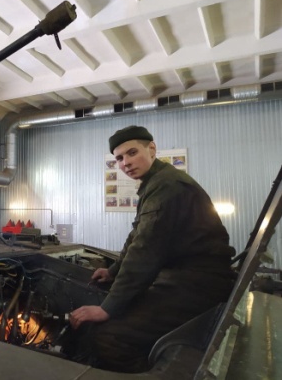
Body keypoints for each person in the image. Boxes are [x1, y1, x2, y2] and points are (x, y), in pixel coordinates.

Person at [61, 125, 236, 373]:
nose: (125, 163)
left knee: (109, 337)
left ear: (152, 149)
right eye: (119, 158)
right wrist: (113, 271)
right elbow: (137, 234)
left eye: (132, 153)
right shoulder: (156, 182)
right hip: (188, 278)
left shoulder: (167, 186)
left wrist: (107, 309)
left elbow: (144, 252)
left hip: (197, 284)